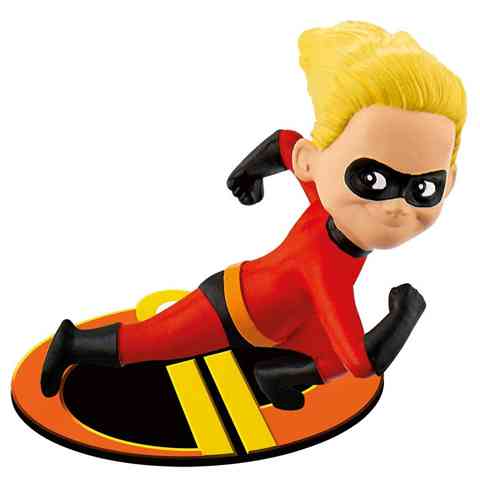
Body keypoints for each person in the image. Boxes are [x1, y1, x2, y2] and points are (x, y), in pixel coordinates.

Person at [40, 21, 467, 410]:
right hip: (229, 308)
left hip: (290, 320)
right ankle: (72, 343)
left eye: (423, 188)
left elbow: (284, 143)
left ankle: (278, 377)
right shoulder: (326, 272)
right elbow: (362, 364)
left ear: (449, 183)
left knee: (330, 354)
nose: (396, 207)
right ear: (312, 162)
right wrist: (404, 315)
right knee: (150, 342)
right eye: (371, 179)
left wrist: (248, 175)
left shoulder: (324, 202)